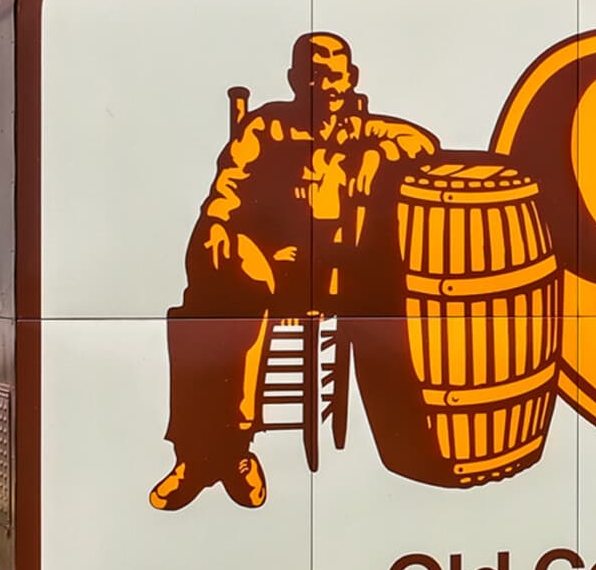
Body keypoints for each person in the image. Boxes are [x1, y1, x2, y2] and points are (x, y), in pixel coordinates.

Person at [148, 32, 435, 510]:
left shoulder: (369, 134)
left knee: (225, 299)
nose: (323, 85)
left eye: (333, 74)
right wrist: (217, 228)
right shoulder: (268, 127)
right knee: (209, 298)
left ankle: (215, 455)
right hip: (267, 270)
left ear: (352, 79)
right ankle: (213, 456)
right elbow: (227, 190)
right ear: (294, 80)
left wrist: (376, 155)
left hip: (337, 277)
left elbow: (424, 145)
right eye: (312, 74)